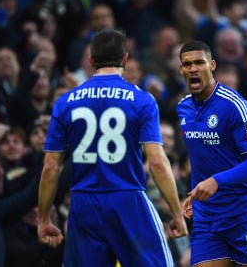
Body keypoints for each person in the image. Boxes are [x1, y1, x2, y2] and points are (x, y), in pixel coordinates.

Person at [37, 29, 188, 267]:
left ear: (91, 60)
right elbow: (157, 163)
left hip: (83, 203)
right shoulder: (142, 100)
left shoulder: (65, 102)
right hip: (128, 199)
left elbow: (50, 168)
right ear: (125, 59)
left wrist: (43, 218)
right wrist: (177, 214)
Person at [177, 40, 247, 267]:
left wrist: (216, 181)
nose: (193, 69)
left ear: (212, 65)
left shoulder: (234, 106)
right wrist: (191, 195)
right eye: (187, 64)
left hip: (243, 212)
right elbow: (203, 157)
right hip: (207, 217)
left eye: (200, 62)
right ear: (181, 69)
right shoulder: (183, 107)